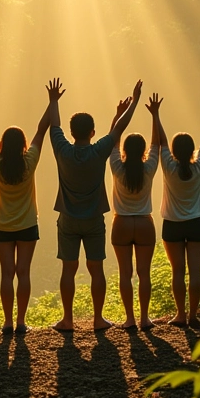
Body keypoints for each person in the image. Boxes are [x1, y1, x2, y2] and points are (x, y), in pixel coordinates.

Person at [49, 78, 143, 332]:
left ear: (71, 133)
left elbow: (53, 124)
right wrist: (132, 102)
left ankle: (67, 320)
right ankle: (98, 319)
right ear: (92, 132)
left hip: (67, 218)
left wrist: (54, 100)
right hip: (93, 220)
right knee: (96, 268)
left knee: (68, 268)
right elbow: (119, 130)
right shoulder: (99, 150)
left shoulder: (62, 150)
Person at [0, 82, 56, 335]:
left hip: (2, 225)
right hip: (27, 225)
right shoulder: (29, 162)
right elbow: (41, 129)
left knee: (6, 274)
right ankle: (21, 322)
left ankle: (7, 323)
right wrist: (52, 100)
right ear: (22, 145)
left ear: (4, 144)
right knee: (23, 272)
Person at [155, 89, 200, 327]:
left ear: (174, 151)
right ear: (191, 149)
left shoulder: (168, 166)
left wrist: (155, 115)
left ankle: (180, 315)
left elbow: (161, 141)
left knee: (177, 272)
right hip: (196, 223)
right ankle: (193, 315)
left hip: (172, 225)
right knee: (195, 272)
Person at [108, 92, 162, 330]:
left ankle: (129, 319)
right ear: (142, 151)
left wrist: (118, 115)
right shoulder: (149, 168)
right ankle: (144, 319)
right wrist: (155, 115)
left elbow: (113, 139)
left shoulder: (117, 167)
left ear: (125, 150)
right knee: (144, 273)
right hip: (144, 224)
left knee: (125, 273)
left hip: (121, 224)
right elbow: (156, 144)